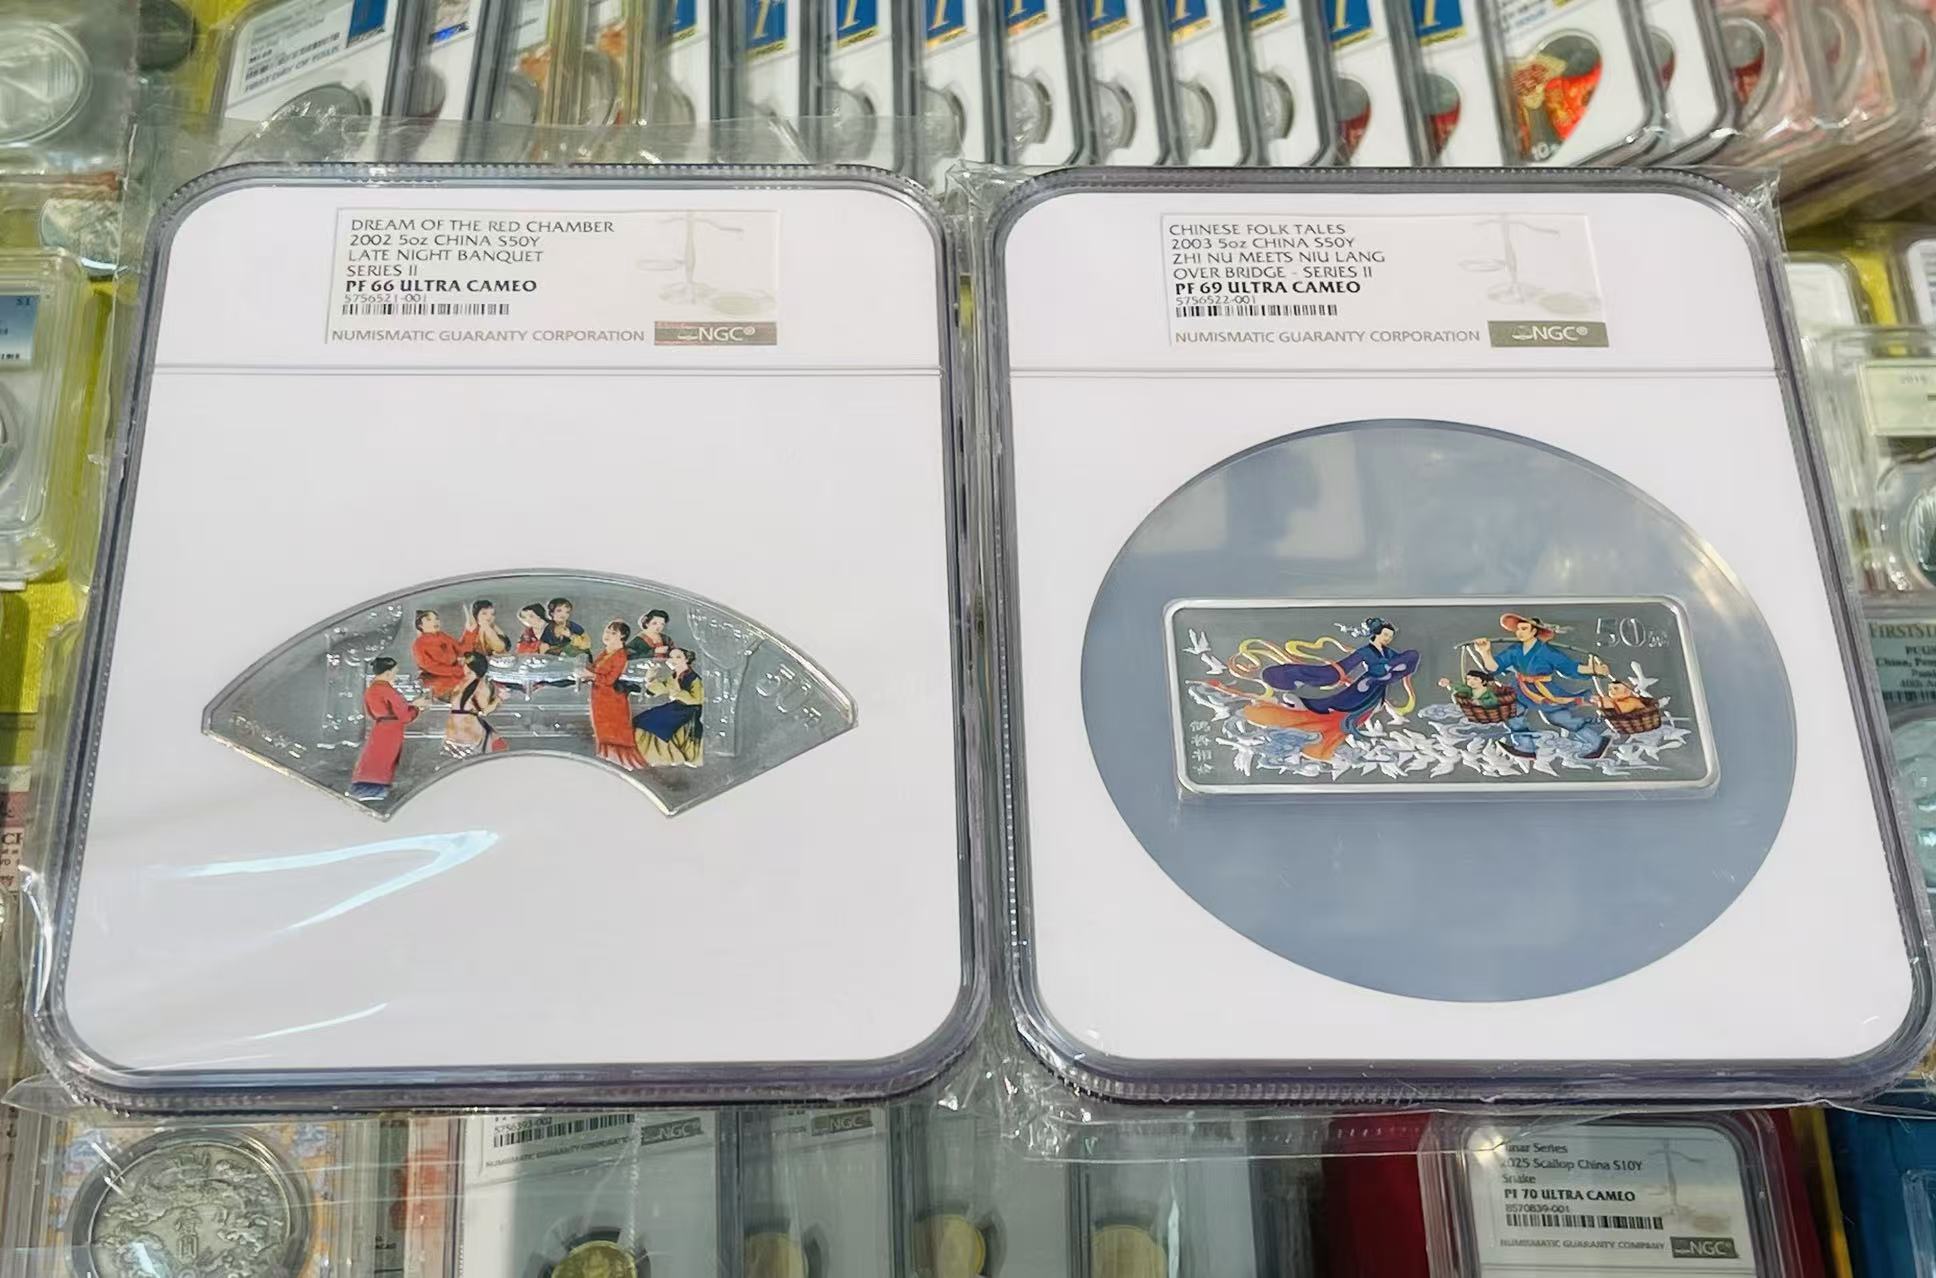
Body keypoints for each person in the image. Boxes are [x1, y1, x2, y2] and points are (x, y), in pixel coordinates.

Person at [1237, 617, 1420, 760]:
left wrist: (1389, 671)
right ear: (1376, 634)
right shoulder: (1365, 652)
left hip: (1375, 691)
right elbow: (1343, 668)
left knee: (1350, 719)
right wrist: (1312, 675)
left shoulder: (1389, 653)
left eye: (1390, 636)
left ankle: (1321, 739)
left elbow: (1408, 660)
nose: (1388, 639)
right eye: (1385, 635)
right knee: (1337, 708)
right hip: (1363, 688)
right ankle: (1303, 712)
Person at [1472, 611, 1612, 759]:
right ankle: (1525, 746)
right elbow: (1494, 667)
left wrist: (1592, 669)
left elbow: (1570, 667)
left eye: (1524, 629)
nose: (1519, 632)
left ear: (1534, 631)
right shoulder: (1515, 650)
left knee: (1558, 718)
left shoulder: (1547, 652)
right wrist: (1485, 652)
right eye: (1518, 629)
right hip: (1520, 689)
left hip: (1544, 691)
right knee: (1512, 713)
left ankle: (1597, 742)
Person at [349, 657, 430, 800]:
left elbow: (371, 713)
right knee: (385, 759)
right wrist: (417, 707)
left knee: (373, 756)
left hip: (380, 726)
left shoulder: (371, 689)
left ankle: (363, 786)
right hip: (392, 729)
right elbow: (405, 716)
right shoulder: (387, 690)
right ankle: (377, 789)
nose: (395, 675)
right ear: (387, 673)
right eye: (395, 672)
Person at [577, 620, 647, 770]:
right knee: (602, 731)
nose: (607, 635)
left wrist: (591, 675)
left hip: (612, 700)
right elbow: (596, 670)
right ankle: (606, 760)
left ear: (622, 636)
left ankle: (624, 764)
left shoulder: (620, 655)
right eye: (607, 631)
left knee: (616, 733)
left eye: (613, 633)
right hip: (599, 697)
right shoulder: (607, 652)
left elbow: (609, 680)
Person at [635, 646, 705, 766]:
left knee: (657, 719)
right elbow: (662, 688)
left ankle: (665, 754)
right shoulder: (673, 676)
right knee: (646, 717)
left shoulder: (693, 678)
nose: (673, 660)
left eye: (678, 657)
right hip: (677, 706)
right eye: (671, 657)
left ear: (686, 659)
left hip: (689, 709)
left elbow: (697, 699)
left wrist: (678, 693)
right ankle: (648, 751)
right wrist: (650, 679)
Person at [444, 651, 510, 757]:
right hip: (469, 733)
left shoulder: (459, 684)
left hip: (452, 733)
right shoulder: (480, 686)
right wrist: (499, 698)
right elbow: (485, 711)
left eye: (464, 664)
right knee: (498, 746)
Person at [411, 609, 466, 699]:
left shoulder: (443, 636)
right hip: (436, 682)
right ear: (420, 625)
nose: (435, 622)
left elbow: (460, 649)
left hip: (456, 676)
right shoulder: (419, 644)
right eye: (429, 620)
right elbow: (430, 667)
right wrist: (457, 671)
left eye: (436, 619)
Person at [1439, 670, 1504, 709]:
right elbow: (1461, 688)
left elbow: (1494, 701)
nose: (1471, 682)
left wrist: (1481, 702)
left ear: (1483, 681)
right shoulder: (1470, 690)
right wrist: (1449, 684)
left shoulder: (1488, 691)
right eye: (1468, 679)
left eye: (1475, 679)